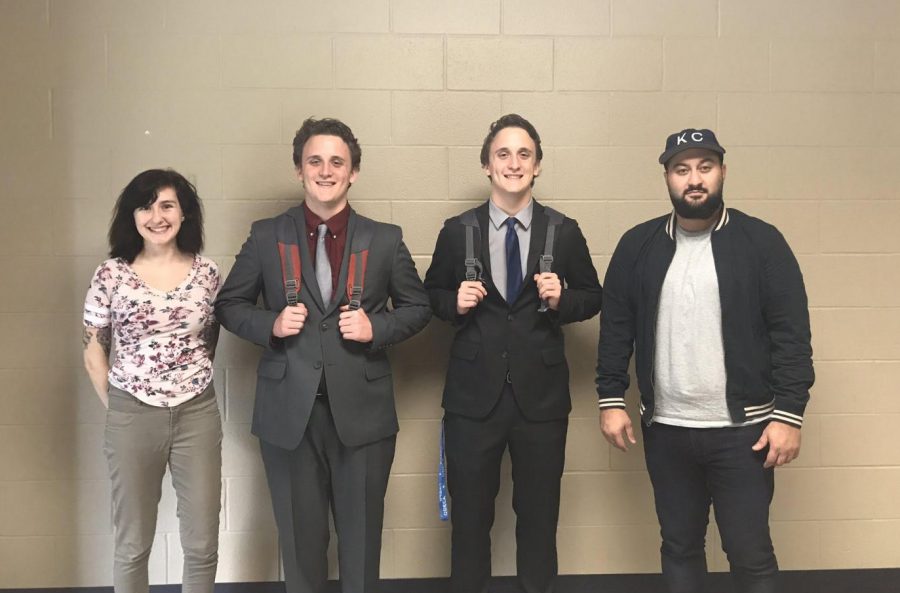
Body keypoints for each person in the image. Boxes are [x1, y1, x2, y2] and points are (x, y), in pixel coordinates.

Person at [215, 117, 431, 593]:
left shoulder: (385, 238)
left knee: (361, 543)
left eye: (338, 161)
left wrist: (378, 327)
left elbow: (419, 308)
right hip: (288, 416)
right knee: (300, 543)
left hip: (364, 416)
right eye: (315, 160)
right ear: (299, 170)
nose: (326, 170)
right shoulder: (267, 234)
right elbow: (229, 305)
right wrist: (269, 324)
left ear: (353, 172)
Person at [596, 128, 814, 593]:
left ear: (722, 172)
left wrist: (789, 415)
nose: (694, 179)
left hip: (745, 435)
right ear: (667, 178)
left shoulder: (762, 242)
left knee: (750, 553)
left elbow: (791, 335)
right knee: (679, 547)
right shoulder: (638, 245)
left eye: (704, 167)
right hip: (668, 431)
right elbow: (616, 327)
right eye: (682, 169)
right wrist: (610, 398)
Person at [424, 114, 603, 593]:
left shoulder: (563, 231)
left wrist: (563, 298)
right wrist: (452, 303)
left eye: (524, 154)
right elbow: (430, 297)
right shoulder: (457, 231)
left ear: (538, 165)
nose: (513, 163)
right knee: (469, 521)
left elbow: (593, 296)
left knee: (540, 520)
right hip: (471, 400)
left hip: (541, 402)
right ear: (487, 164)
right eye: (503, 153)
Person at [82, 169, 222, 593]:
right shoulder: (111, 274)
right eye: (145, 206)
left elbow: (209, 339)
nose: (156, 216)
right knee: (132, 543)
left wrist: (181, 384)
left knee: (201, 543)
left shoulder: (209, 273)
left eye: (167, 205)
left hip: (197, 413)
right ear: (132, 216)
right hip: (130, 412)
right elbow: (93, 349)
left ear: (184, 214)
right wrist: (121, 406)